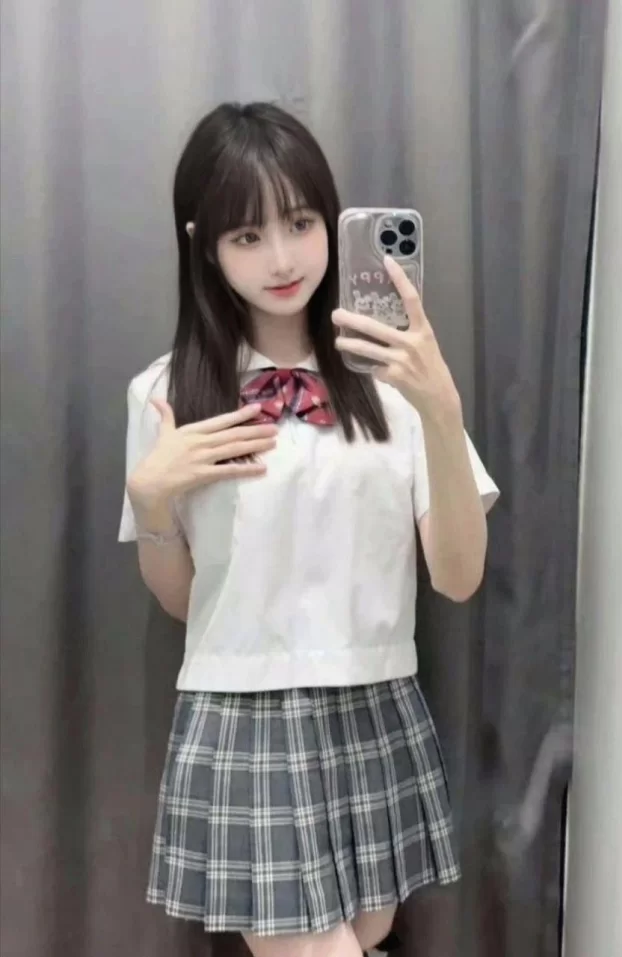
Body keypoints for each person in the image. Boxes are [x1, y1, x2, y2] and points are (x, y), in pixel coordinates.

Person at [119, 101, 499, 957]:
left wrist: (441, 411)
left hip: (373, 697)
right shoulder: (165, 395)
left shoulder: (397, 383)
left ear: (334, 222)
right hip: (244, 711)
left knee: (365, 936)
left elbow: (459, 576)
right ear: (204, 246)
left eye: (299, 222)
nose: (283, 258)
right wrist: (151, 503)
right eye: (247, 235)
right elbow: (183, 602)